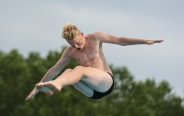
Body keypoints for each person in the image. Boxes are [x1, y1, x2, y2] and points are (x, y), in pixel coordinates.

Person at [25, 23, 163, 101]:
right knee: (68, 71)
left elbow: (120, 41)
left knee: (78, 69)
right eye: (72, 45)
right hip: (93, 93)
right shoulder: (70, 52)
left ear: (82, 34)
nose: (77, 47)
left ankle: (57, 84)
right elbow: (54, 70)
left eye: (78, 42)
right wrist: (35, 88)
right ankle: (49, 88)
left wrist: (144, 41)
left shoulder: (96, 38)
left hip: (105, 82)